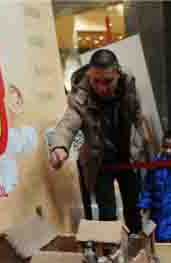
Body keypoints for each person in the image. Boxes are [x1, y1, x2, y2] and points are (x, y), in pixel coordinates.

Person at [49, 49, 151, 232]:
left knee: (134, 208)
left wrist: (144, 138)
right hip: (99, 161)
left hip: (127, 156)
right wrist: (59, 146)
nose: (102, 87)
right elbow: (67, 124)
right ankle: (110, 254)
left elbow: (136, 111)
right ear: (89, 75)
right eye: (96, 81)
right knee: (107, 213)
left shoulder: (128, 82)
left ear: (118, 74)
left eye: (108, 81)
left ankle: (137, 249)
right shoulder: (80, 96)